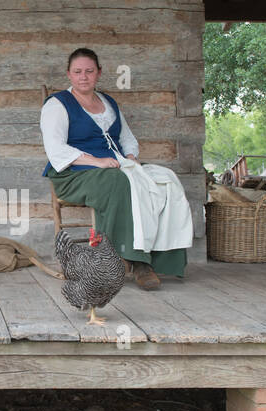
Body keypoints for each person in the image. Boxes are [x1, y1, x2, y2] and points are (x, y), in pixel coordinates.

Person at [40, 48, 191, 288]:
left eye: (89, 71)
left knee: (165, 179)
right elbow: (55, 148)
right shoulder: (57, 105)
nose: (83, 76)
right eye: (77, 71)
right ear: (68, 74)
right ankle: (128, 261)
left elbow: (127, 138)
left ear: (99, 73)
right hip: (73, 174)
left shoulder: (109, 102)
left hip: (117, 166)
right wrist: (97, 161)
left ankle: (159, 260)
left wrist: (130, 157)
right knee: (119, 181)